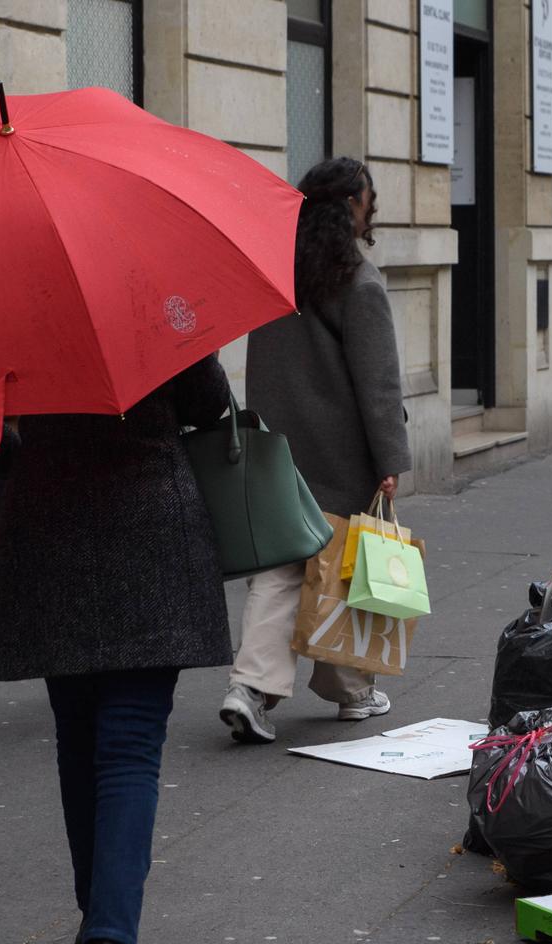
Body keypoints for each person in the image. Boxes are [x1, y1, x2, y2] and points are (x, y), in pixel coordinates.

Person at [0, 355, 232, 944]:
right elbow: (208, 404)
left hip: (48, 528)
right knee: (130, 745)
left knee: (76, 734)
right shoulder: (149, 292)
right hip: (149, 526)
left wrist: (25, 457)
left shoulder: (10, 308)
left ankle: (94, 914)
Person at [219, 157, 411, 745]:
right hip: (341, 450)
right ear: (354, 204)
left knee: (281, 568)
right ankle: (350, 691)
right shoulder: (358, 280)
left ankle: (249, 688)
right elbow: (378, 385)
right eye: (369, 200)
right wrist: (390, 461)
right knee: (343, 567)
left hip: (280, 445)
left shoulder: (279, 273)